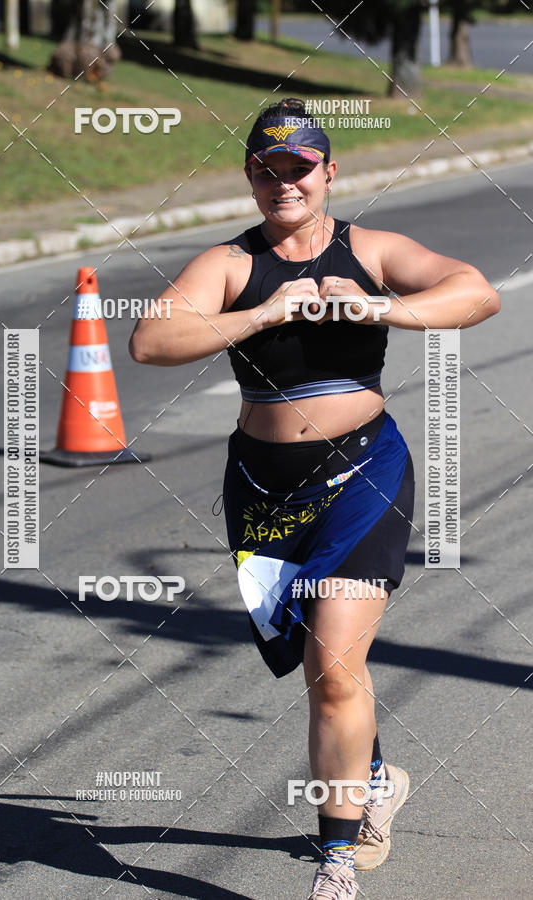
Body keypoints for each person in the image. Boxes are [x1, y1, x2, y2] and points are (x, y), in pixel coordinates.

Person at [130, 98, 500, 899]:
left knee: (334, 663)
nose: (283, 184)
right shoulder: (233, 263)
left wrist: (378, 306)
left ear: (329, 172)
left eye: (299, 168)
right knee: (317, 662)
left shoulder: (371, 249)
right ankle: (375, 776)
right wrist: (265, 311)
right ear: (250, 178)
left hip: (362, 476)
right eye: (267, 170)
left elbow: (475, 293)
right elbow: (152, 338)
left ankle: (336, 856)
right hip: (262, 487)